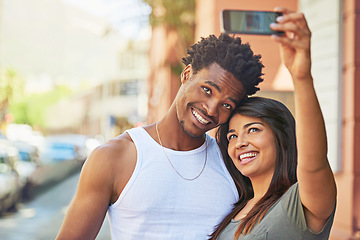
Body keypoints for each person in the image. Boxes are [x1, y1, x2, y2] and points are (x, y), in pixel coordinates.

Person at [56, 33, 264, 239]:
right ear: (186, 74)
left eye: (226, 105)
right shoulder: (114, 157)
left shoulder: (232, 163)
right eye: (207, 90)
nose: (211, 109)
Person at [210, 8, 337, 240]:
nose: (240, 143)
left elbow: (315, 162)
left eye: (253, 130)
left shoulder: (299, 204)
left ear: (283, 138)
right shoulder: (235, 210)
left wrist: (301, 76)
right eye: (232, 136)